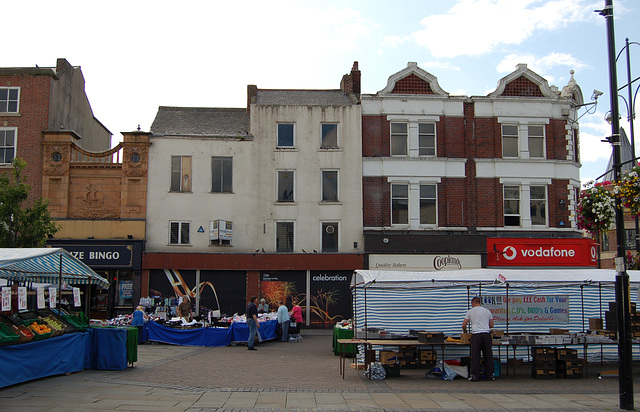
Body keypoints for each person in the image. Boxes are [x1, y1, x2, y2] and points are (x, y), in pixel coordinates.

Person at [462, 296, 495, 381]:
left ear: (473, 303)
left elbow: (464, 324)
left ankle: (475, 376)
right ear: (480, 302)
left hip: (476, 335)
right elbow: (491, 325)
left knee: (475, 356)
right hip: (486, 335)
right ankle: (490, 375)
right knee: (488, 355)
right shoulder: (487, 311)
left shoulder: (470, 311)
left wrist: (465, 332)